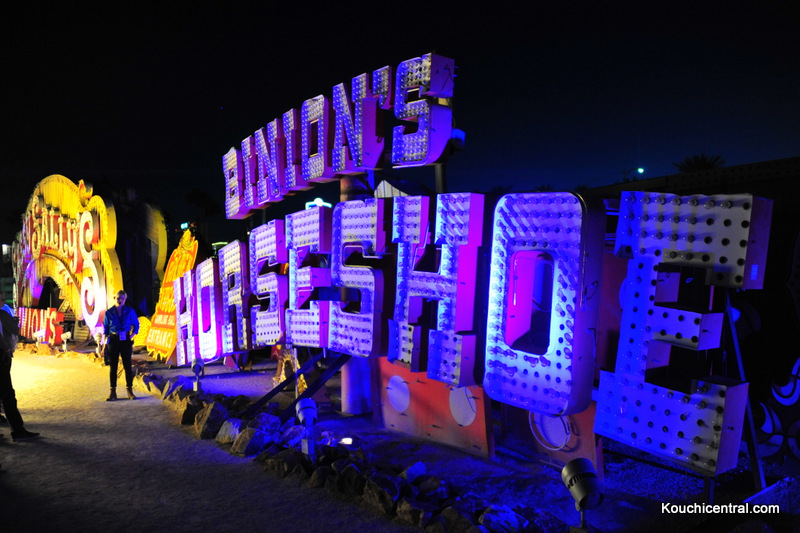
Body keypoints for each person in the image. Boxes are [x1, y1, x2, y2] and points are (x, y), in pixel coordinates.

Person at [0, 292, 40, 441]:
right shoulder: (3, 315)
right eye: (1, 298)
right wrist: (6, 349)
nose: (3, 301)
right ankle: (17, 430)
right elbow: (14, 330)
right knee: (7, 394)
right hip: (1, 357)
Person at [102, 290, 139, 401]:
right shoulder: (109, 313)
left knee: (127, 366)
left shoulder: (130, 311)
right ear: (114, 299)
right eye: (118, 298)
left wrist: (131, 336)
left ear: (125, 299)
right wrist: (104, 346)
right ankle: (112, 392)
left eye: (122, 298)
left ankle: (130, 391)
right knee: (113, 367)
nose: (120, 300)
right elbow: (106, 329)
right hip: (113, 339)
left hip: (125, 339)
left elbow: (136, 325)